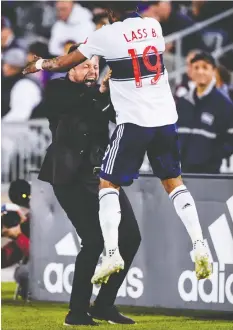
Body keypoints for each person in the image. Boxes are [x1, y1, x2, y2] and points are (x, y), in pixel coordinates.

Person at [23, 2, 212, 285]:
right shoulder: (154, 26)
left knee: (107, 184)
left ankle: (111, 253)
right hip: (165, 119)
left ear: (111, 12)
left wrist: (38, 64)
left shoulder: (106, 34)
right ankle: (199, 244)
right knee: (174, 182)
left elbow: (63, 62)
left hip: (135, 122)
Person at [38, 46, 141, 326]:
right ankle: (77, 311)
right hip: (69, 178)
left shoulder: (100, 95)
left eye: (95, 67)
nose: (92, 72)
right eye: (84, 66)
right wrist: (102, 92)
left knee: (131, 237)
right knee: (94, 240)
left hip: (103, 176)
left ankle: (104, 304)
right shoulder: (57, 90)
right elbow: (75, 109)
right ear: (69, 68)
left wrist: (115, 91)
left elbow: (117, 117)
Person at [177, 52, 233, 174]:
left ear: (213, 71)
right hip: (182, 171)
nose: (200, 71)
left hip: (209, 174)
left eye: (205, 67)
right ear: (191, 72)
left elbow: (230, 138)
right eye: (196, 67)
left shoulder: (224, 104)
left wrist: (213, 156)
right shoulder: (182, 102)